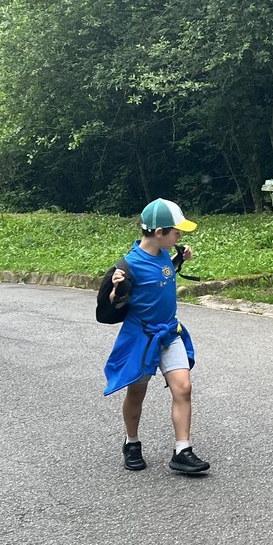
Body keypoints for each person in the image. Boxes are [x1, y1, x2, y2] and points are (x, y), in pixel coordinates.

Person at [103, 199, 209, 476]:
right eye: (176, 232)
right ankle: (132, 443)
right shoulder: (129, 265)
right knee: (137, 392)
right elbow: (113, 304)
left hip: (169, 333)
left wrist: (178, 260)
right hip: (141, 337)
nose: (180, 236)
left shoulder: (164, 254)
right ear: (159, 233)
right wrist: (116, 290)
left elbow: (161, 277)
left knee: (183, 387)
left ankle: (182, 450)